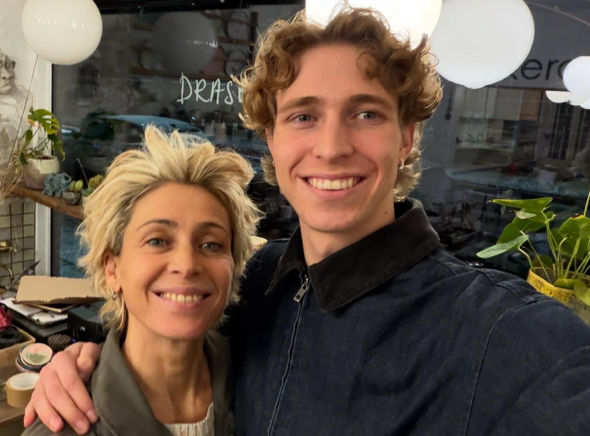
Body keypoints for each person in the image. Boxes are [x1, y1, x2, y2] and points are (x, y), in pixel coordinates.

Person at [25, 7, 590, 436]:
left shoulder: (504, 336)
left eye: (365, 112)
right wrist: (87, 363)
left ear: (407, 136)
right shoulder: (257, 284)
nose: (331, 146)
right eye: (303, 116)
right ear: (271, 137)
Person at [22, 126, 260, 436]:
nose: (187, 265)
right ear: (113, 269)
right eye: (157, 241)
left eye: (211, 244)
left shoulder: (262, 381)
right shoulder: (62, 426)